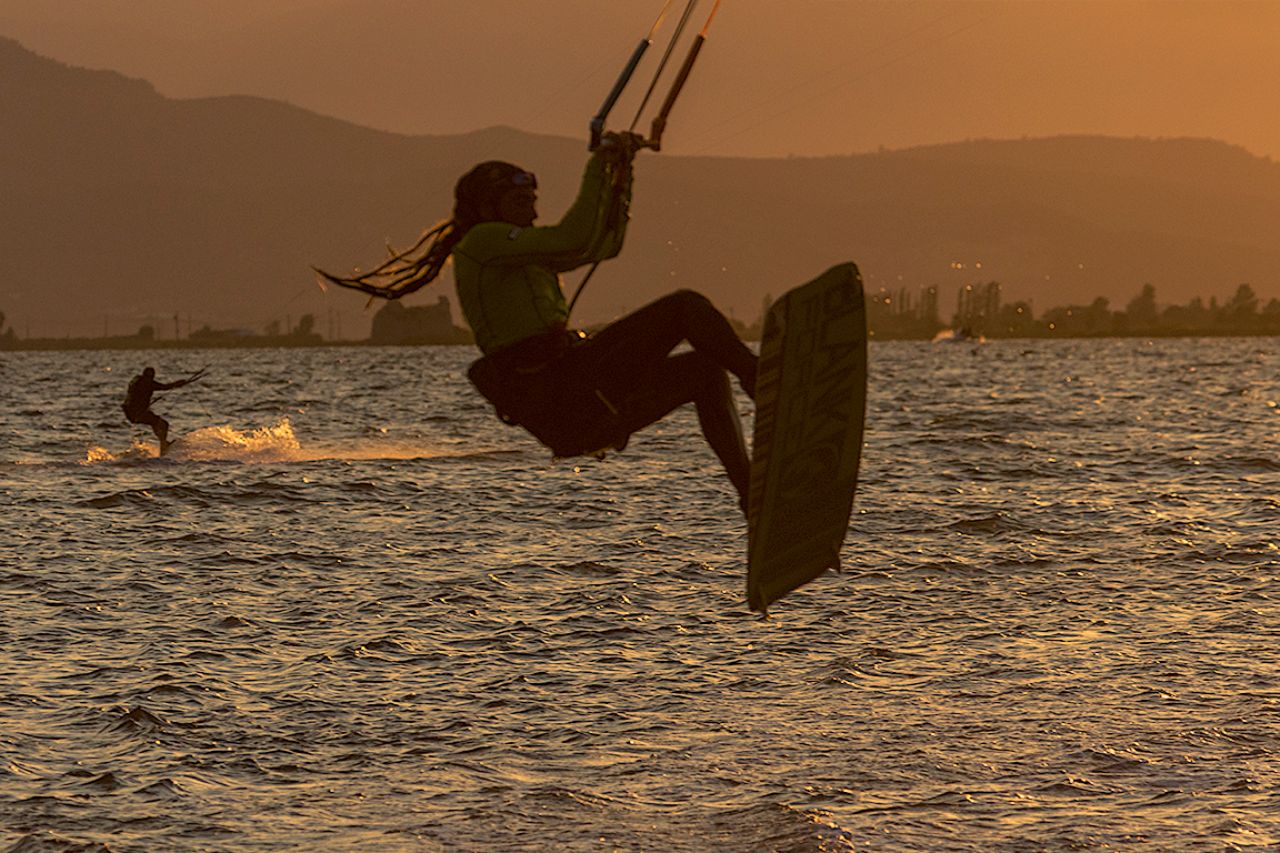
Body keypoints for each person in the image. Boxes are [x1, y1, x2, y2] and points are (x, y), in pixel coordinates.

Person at [317, 132, 758, 512]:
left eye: (532, 201)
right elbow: (574, 237)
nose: (530, 212)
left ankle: (750, 492)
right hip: (566, 394)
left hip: (582, 407)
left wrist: (621, 177)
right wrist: (598, 162)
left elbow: (601, 246)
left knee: (705, 369)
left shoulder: (522, 252)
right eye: (519, 201)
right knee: (685, 306)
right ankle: (760, 380)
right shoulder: (483, 241)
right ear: (490, 207)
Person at [122, 366, 204, 455]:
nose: (151, 379)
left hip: (131, 412)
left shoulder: (137, 380)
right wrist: (178, 383)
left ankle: (163, 443)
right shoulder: (146, 383)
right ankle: (164, 446)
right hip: (137, 413)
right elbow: (164, 387)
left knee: (156, 422)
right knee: (164, 424)